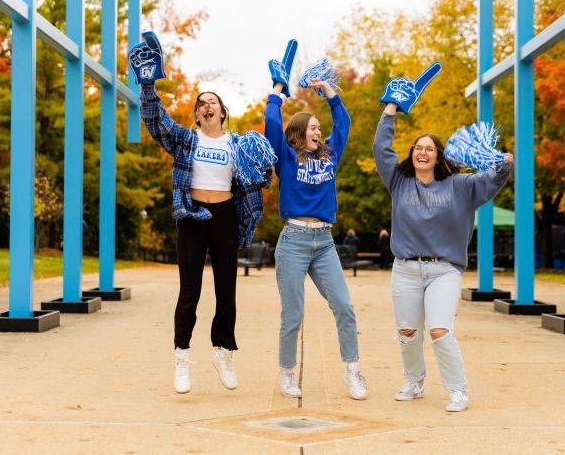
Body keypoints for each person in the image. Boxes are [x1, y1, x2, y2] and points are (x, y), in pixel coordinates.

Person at [130, 32, 274, 395]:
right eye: (201, 103)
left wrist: (263, 169)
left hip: (225, 216)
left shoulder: (238, 144)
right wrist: (148, 87)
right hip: (193, 217)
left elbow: (264, 176)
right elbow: (155, 122)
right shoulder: (186, 139)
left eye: (213, 102)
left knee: (227, 291)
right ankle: (182, 358)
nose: (207, 106)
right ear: (197, 114)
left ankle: (223, 352)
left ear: (223, 112)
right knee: (189, 291)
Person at [373, 74, 514, 413]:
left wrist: (504, 162)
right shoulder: (399, 181)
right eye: (418, 148)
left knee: (438, 330)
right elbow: (381, 148)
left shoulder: (460, 186)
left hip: (443, 271)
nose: (423, 152)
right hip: (405, 269)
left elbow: (493, 178)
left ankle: (458, 390)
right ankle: (414, 381)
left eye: (429, 148)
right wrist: (391, 108)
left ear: (438, 156)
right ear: (412, 154)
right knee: (407, 332)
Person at [264, 61, 367, 401]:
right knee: (292, 313)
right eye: (312, 127)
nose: (318, 131)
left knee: (344, 305)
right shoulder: (285, 157)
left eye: (319, 127)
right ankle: (287, 373)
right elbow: (270, 124)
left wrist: (330, 94)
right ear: (298, 132)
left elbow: (345, 123)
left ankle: (352, 371)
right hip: (293, 241)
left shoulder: (330, 155)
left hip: (323, 242)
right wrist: (277, 92)